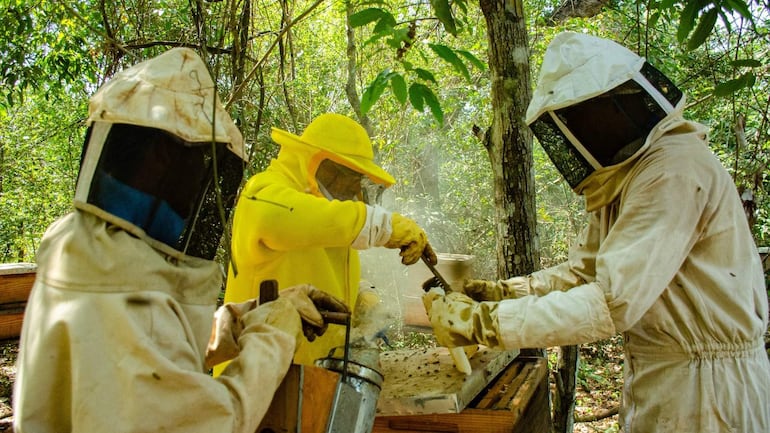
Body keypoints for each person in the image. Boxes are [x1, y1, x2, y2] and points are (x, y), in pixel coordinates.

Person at [422, 32, 770, 432]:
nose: (583, 129)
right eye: (572, 121)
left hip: (710, 391)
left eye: (586, 115)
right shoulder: (623, 179)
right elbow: (582, 273)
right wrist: (503, 293)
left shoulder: (673, 169)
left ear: (621, 103)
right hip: (667, 378)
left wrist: (484, 323)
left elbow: (610, 301)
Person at [12, 47, 348, 433]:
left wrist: (244, 320)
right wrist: (273, 336)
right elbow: (216, 421)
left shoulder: (85, 248)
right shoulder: (122, 294)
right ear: (157, 160)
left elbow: (154, 348)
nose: (190, 192)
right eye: (188, 167)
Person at [222, 112, 437, 367]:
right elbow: (276, 218)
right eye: (352, 177)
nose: (355, 189)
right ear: (327, 166)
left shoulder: (326, 213)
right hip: (253, 376)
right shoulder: (262, 192)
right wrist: (382, 226)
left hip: (311, 373)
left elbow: (319, 267)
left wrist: (360, 295)